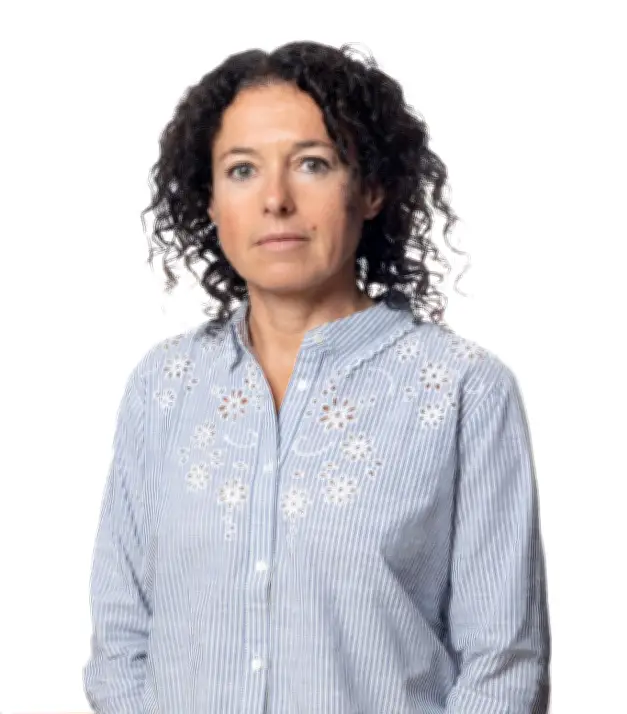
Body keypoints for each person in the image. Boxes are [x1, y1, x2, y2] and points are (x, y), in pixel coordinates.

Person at [83, 41, 551, 713]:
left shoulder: (461, 390)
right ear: (210, 201)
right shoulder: (164, 387)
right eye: (242, 170)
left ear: (371, 188)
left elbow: (501, 665)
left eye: (312, 164)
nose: (275, 199)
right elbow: (121, 640)